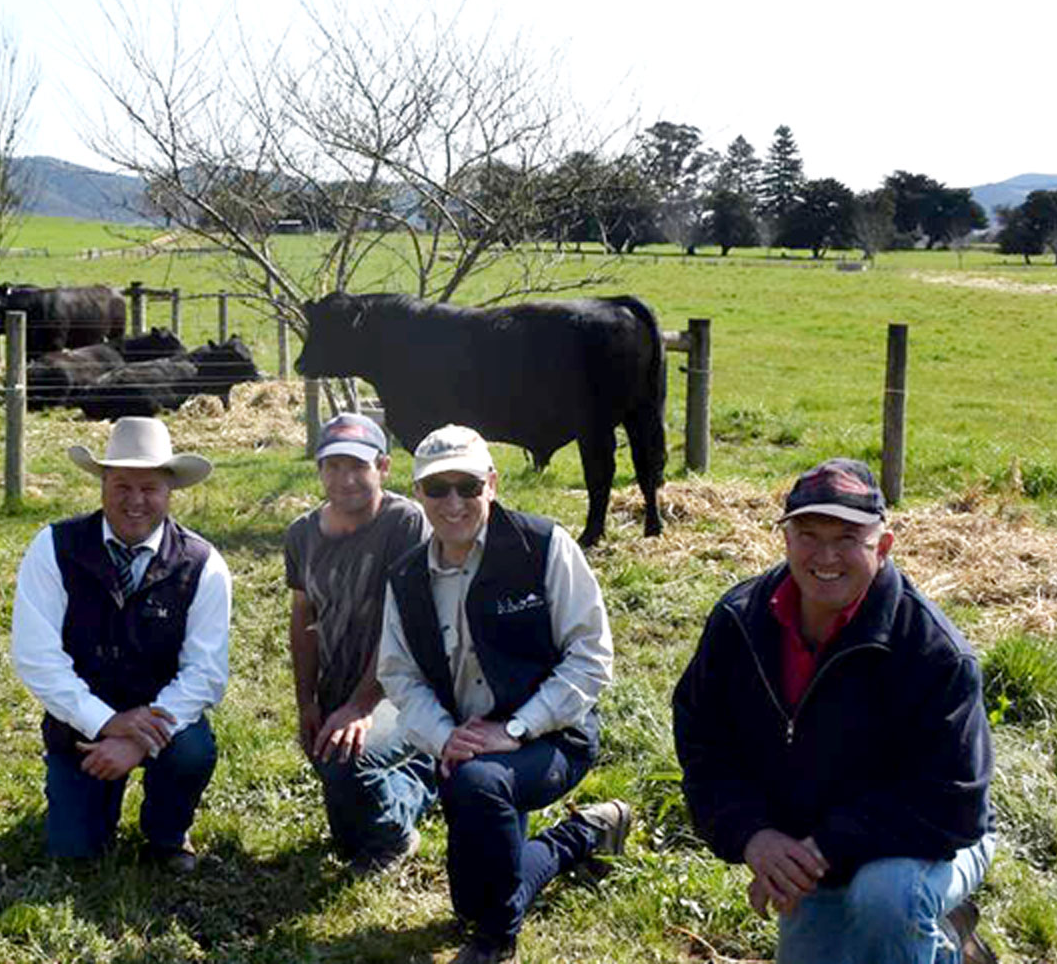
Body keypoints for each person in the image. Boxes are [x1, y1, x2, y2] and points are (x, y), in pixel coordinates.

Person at [672, 458, 997, 964]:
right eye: (808, 533)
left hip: (930, 839)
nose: (826, 555)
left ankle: (934, 935)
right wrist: (754, 835)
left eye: (848, 538)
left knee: (888, 899)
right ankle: (943, 942)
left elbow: (954, 801)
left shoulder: (933, 652)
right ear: (784, 537)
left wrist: (823, 848)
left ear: (883, 547)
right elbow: (703, 742)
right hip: (813, 846)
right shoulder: (739, 622)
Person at [377, 424, 633, 964]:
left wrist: (517, 730)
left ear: (491, 483)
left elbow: (591, 658)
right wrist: (448, 738)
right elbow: (400, 676)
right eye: (436, 488)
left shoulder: (543, 545)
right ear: (417, 492)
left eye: (467, 486)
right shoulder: (404, 576)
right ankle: (584, 833)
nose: (453, 503)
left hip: (553, 735)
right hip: (467, 745)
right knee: (472, 896)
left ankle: (497, 941)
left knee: (478, 791)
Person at [9, 416, 231, 872]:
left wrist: (138, 742)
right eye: (121, 486)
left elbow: (204, 674)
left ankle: (167, 835)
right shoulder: (53, 547)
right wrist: (106, 722)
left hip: (166, 724)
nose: (135, 501)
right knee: (77, 851)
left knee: (192, 752)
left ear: (171, 490)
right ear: (102, 485)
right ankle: (84, 807)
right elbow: (37, 659)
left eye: (149, 488)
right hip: (82, 727)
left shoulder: (203, 564)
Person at [285, 412, 435, 871]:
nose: (345, 478)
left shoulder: (405, 523)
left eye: (358, 466)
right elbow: (303, 619)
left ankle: (400, 828)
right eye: (333, 466)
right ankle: (422, 774)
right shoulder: (302, 534)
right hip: (339, 687)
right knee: (343, 808)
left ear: (383, 468)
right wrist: (307, 703)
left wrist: (362, 706)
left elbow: (406, 625)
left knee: (348, 768)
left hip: (401, 688)